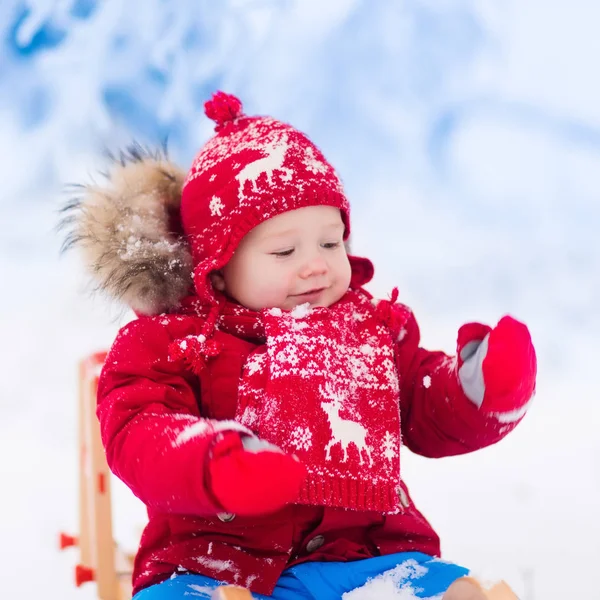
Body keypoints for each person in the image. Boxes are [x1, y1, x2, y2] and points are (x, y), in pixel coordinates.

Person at [65, 91, 536, 600]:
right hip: (215, 565)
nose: (315, 264)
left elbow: (423, 405)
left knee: (453, 590)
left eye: (331, 243)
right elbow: (139, 430)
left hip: (369, 557)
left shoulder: (369, 328)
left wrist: (478, 389)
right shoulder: (174, 343)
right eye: (285, 250)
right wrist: (212, 463)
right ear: (217, 269)